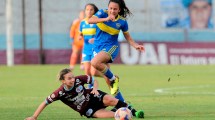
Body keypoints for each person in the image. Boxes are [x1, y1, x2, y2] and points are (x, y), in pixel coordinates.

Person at [24, 68, 144, 120]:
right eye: (69, 78)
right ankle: (120, 111)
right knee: (115, 116)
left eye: (72, 77)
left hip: (93, 96)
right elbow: (45, 102)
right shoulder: (59, 92)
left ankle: (132, 110)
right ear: (63, 81)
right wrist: (34, 117)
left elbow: (94, 80)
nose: (73, 79)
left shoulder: (78, 79)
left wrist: (95, 88)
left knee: (112, 100)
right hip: (88, 109)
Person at [88, 0, 145, 95]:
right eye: (110, 8)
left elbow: (128, 37)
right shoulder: (102, 13)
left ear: (119, 10)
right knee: (108, 81)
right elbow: (90, 20)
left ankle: (114, 78)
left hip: (110, 47)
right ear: (108, 7)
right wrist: (106, 19)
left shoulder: (122, 22)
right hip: (97, 47)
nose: (112, 11)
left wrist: (136, 45)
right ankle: (122, 105)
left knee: (95, 62)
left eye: (115, 9)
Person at [79, 3, 125, 103]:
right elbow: (81, 34)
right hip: (89, 49)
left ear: (95, 12)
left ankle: (121, 103)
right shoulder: (83, 23)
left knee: (105, 78)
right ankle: (92, 90)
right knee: (91, 72)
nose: (89, 12)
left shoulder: (98, 21)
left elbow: (103, 34)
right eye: (87, 9)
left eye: (91, 10)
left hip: (102, 49)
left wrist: (94, 39)